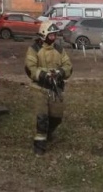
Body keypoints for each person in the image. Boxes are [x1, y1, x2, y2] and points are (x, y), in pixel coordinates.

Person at [25, 21, 73, 155]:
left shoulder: (59, 49)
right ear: (44, 35)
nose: (54, 38)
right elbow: (30, 68)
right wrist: (44, 76)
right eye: (51, 35)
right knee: (42, 117)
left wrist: (61, 73)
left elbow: (68, 65)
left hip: (55, 89)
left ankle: (48, 132)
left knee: (57, 117)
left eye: (55, 35)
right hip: (39, 88)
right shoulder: (34, 49)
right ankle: (39, 146)